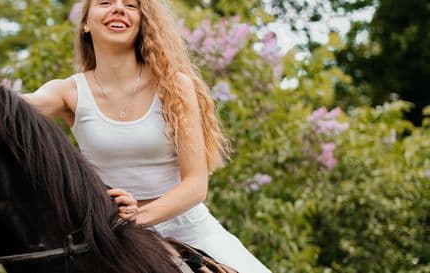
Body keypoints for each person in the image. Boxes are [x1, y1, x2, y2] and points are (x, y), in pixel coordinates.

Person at [21, 0, 271, 272]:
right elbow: (12, 104)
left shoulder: (174, 86)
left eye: (131, 5)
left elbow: (196, 184)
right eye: (105, 2)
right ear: (85, 23)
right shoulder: (68, 91)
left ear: (142, 22)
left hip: (187, 229)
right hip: (113, 236)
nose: (119, 8)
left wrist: (137, 216)